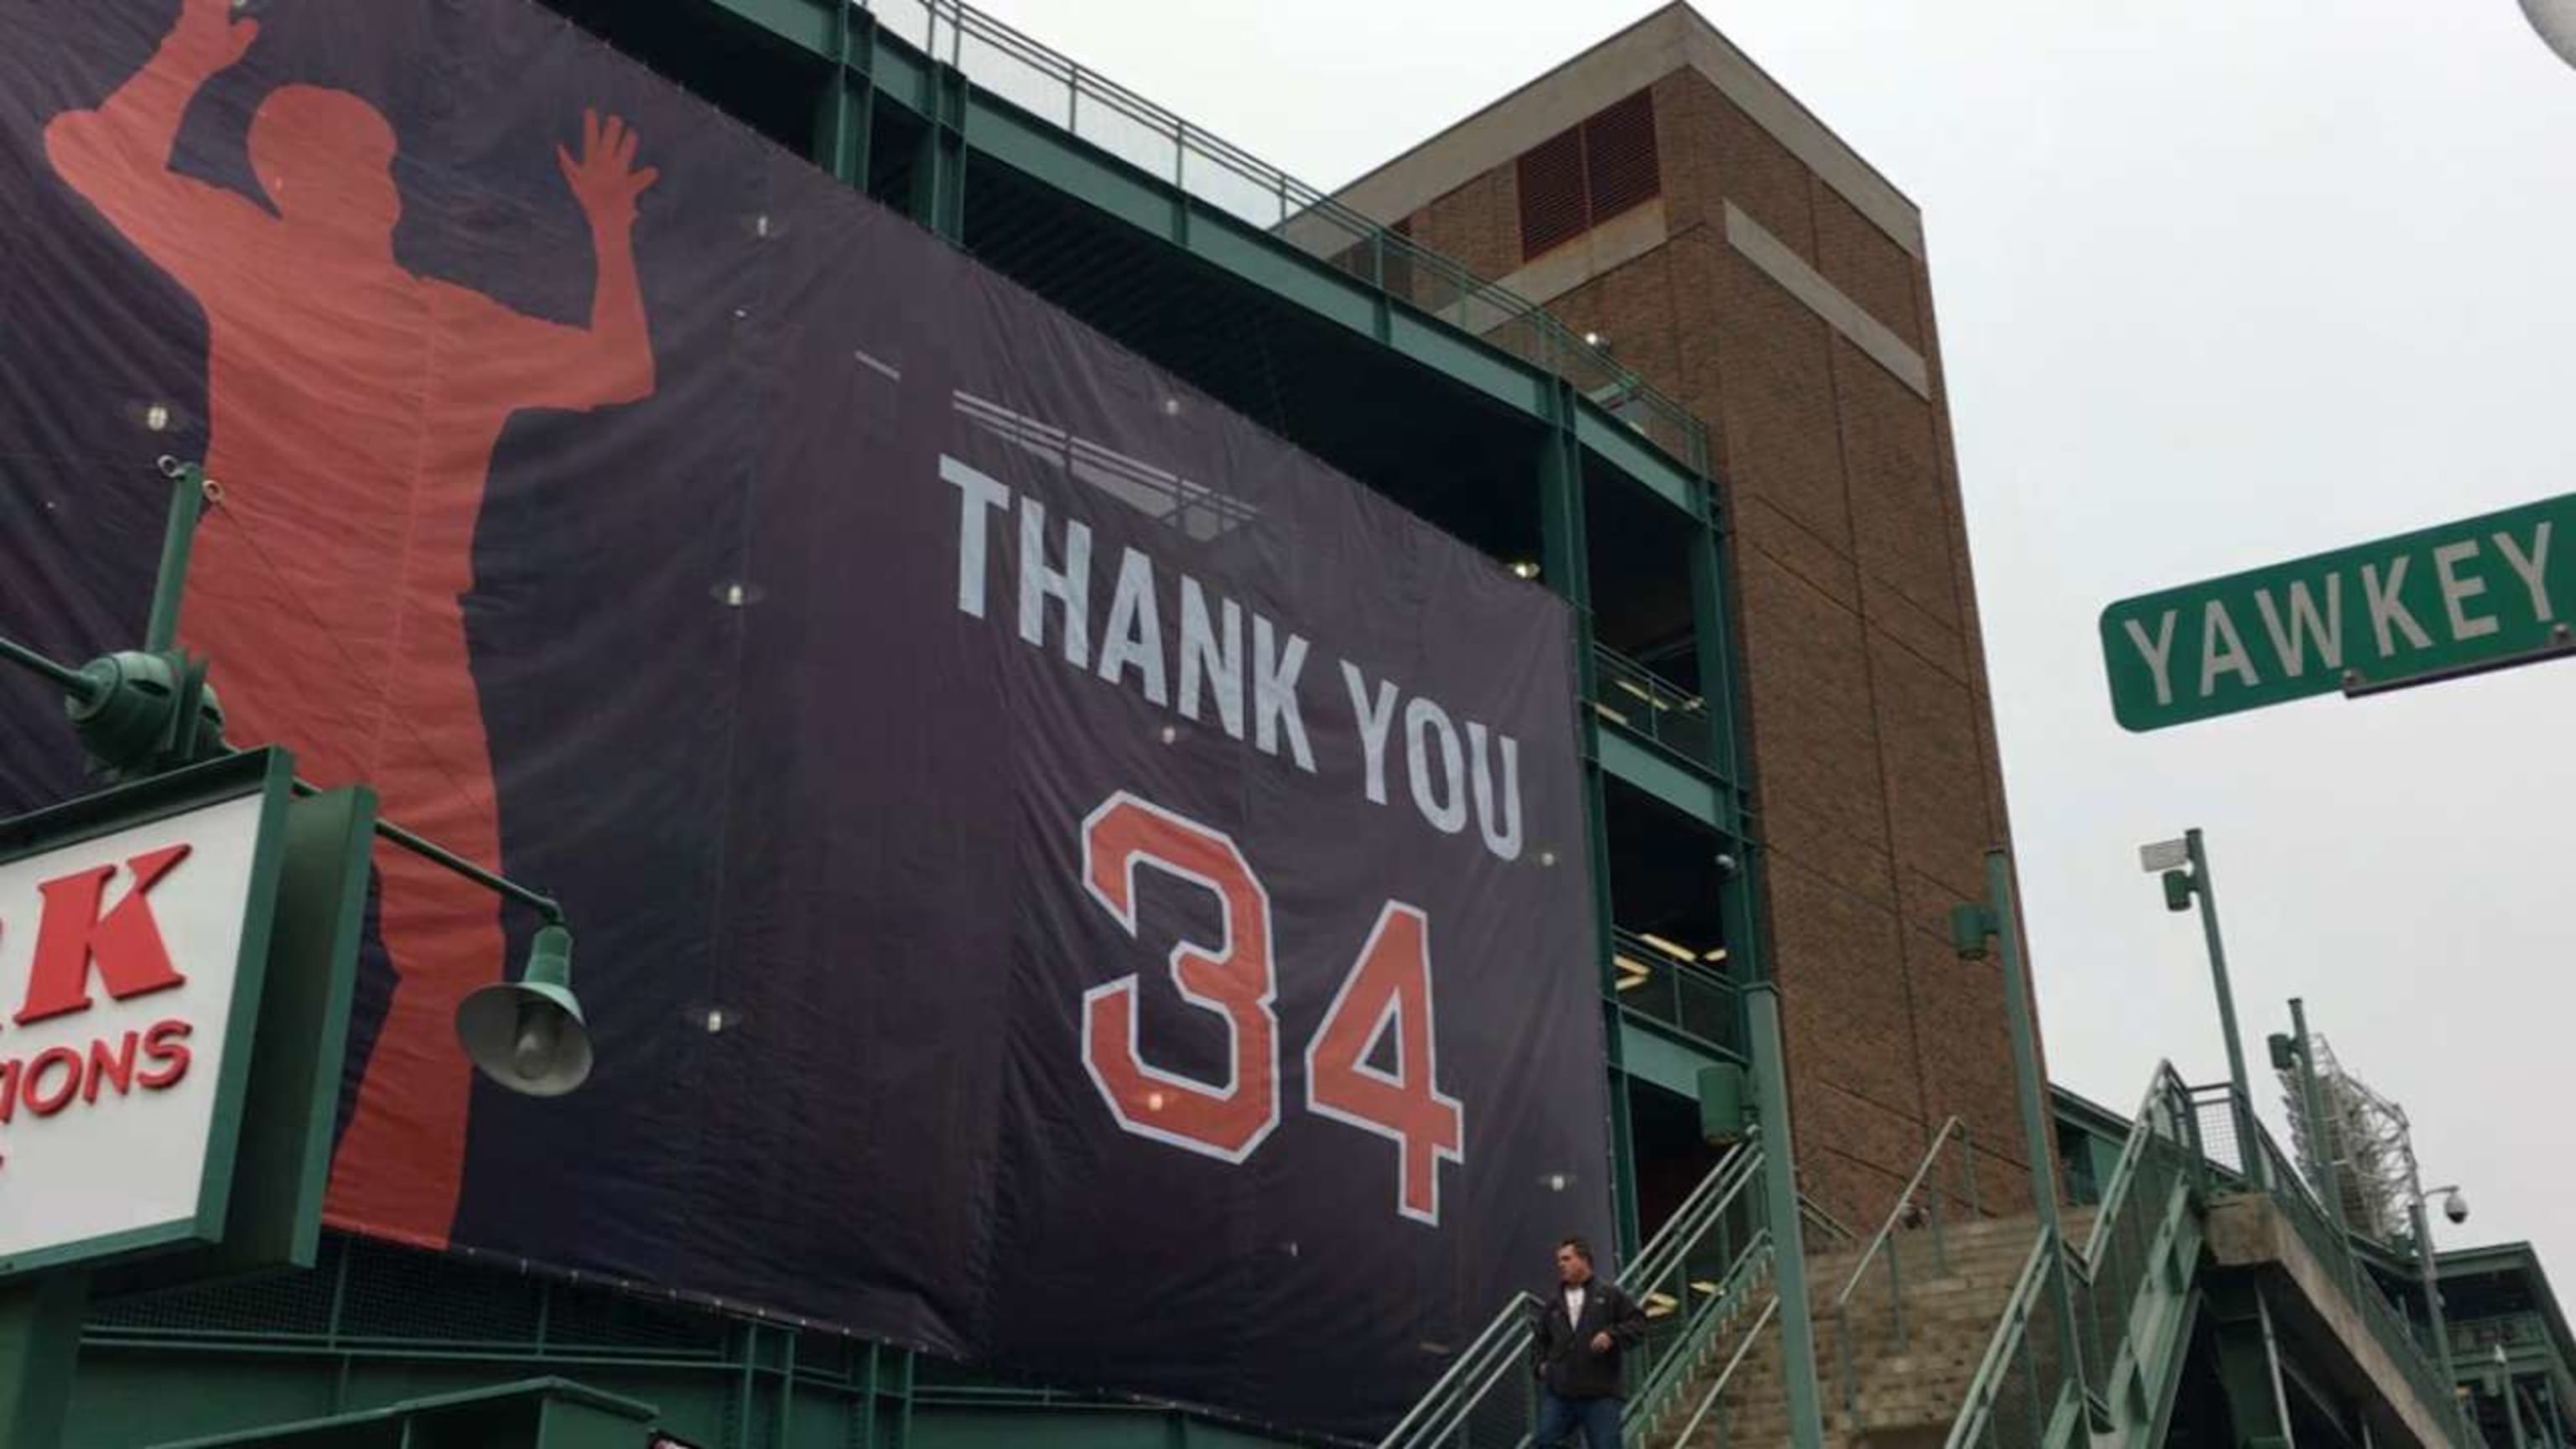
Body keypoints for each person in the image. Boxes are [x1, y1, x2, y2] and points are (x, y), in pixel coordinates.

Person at [44, 0, 660, 1248]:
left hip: (401, 661)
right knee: (178, 903)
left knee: (455, 953)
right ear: (283, 175)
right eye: (344, 164)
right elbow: (82, 153)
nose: (375, 186)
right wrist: (188, 58)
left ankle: (317, 1218)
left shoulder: (442, 319)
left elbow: (615, 367)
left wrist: (611, 230)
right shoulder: (255, 250)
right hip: (245, 631)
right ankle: (121, 1194)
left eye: (378, 167)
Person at [1531, 1236, 1649, 1447]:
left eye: (1567, 1259)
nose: (1561, 1265)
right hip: (1562, 1394)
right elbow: (1540, 1339)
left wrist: (1612, 1335)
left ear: (1584, 1260)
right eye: (1559, 1260)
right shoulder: (1554, 1304)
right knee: (1544, 1440)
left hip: (1600, 1394)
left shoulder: (1610, 1295)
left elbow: (1638, 1323)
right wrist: (1540, 1365)